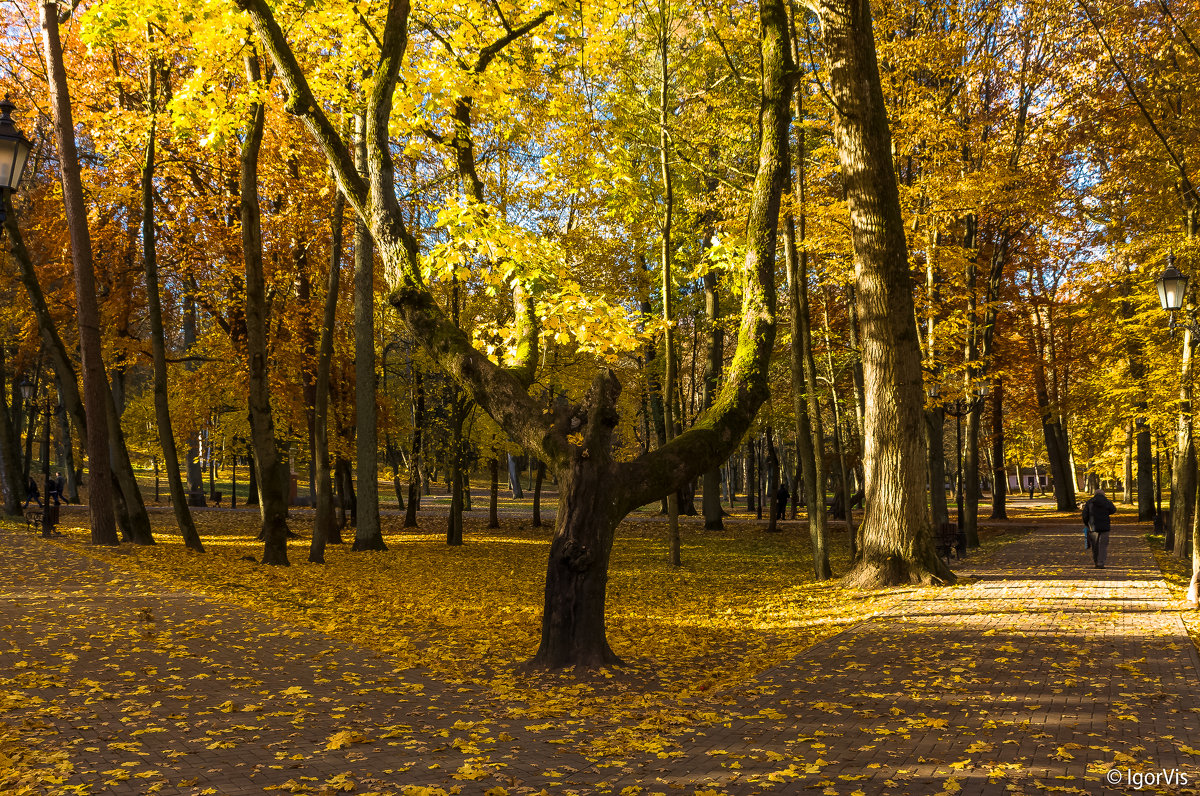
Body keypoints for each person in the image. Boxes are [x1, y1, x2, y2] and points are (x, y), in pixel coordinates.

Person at [1083, 488, 1116, 568]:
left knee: (1095, 545)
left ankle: (1096, 561)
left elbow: (1085, 515)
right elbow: (1113, 510)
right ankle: (1101, 563)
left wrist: (1086, 523)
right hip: (1105, 527)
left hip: (1093, 527)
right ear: (1103, 494)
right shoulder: (1107, 502)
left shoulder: (1090, 502)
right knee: (1103, 546)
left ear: (1095, 494)